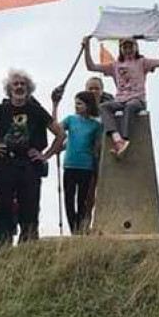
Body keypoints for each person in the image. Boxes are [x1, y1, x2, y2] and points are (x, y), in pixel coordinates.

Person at [0, 69, 64, 248]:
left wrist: (46, 155)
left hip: (29, 166)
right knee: (3, 210)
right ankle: (3, 252)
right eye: (15, 84)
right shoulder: (0, 109)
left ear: (28, 88)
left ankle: (28, 251)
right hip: (5, 165)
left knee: (29, 211)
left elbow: (60, 133)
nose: (19, 87)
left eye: (22, 84)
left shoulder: (36, 110)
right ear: (9, 88)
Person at [82, 35, 159, 157]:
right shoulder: (115, 65)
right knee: (103, 107)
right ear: (121, 49)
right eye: (125, 47)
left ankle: (125, 138)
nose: (128, 50)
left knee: (130, 106)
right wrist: (87, 48)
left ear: (136, 47)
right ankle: (117, 139)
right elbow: (91, 66)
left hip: (137, 99)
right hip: (120, 100)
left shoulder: (142, 62)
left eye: (130, 46)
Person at [58, 91, 102, 233]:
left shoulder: (95, 125)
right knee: (68, 200)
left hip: (86, 166)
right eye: (76, 103)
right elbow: (56, 129)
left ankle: (80, 228)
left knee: (82, 200)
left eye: (79, 103)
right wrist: (54, 106)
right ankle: (73, 229)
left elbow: (97, 146)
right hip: (69, 165)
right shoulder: (70, 119)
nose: (76, 106)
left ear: (88, 105)